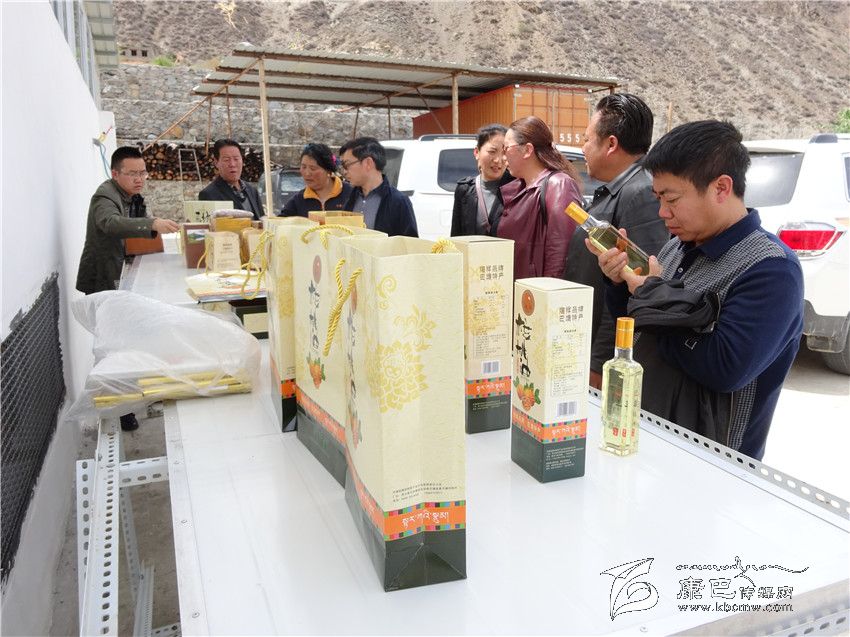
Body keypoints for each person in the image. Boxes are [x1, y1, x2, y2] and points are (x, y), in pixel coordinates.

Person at [589, 120, 803, 460]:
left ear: (721, 188)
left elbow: (724, 368)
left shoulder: (772, 269)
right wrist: (620, 284)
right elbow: (637, 329)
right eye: (658, 198)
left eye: (672, 199)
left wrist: (653, 296)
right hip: (647, 437)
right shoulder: (678, 246)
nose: (663, 212)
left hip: (711, 463)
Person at [565, 93, 669, 389]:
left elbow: (636, 286)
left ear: (611, 144)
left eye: (587, 139)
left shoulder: (640, 194)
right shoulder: (620, 189)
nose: (582, 148)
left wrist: (600, 364)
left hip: (603, 357)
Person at [75, 146, 179, 431]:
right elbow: (110, 224)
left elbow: (135, 233)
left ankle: (129, 401)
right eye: (132, 173)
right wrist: (152, 223)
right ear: (115, 173)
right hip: (104, 279)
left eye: (143, 173)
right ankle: (120, 409)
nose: (139, 178)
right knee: (112, 346)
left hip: (124, 275)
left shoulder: (133, 197)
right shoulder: (105, 195)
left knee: (128, 341)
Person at [497, 116, 582, 279]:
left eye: (506, 148)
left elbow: (560, 253)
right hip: (522, 287)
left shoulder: (559, 185)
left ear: (527, 150)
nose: (503, 156)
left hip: (537, 290)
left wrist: (548, 290)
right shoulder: (520, 187)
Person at [339, 137, 418, 237]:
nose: (344, 172)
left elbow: (410, 241)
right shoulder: (350, 196)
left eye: (346, 165)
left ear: (368, 163)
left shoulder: (398, 201)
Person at [451, 124, 514, 236]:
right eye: (492, 151)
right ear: (477, 152)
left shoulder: (518, 189)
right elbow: (456, 236)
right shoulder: (464, 190)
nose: (498, 160)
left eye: (504, 153)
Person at [280, 143, 353, 217]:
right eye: (304, 167)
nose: (307, 173)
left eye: (313, 168)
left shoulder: (351, 194)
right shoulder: (298, 200)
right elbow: (280, 221)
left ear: (328, 170)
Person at [199, 139, 264, 220]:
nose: (232, 164)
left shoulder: (252, 191)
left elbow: (261, 220)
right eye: (226, 160)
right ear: (216, 162)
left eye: (236, 159)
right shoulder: (209, 194)